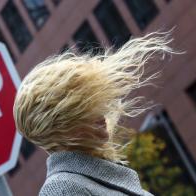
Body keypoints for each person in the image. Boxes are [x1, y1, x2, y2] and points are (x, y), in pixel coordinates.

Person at [13, 32, 177, 196]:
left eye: (94, 102)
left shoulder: (83, 180)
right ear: (60, 127)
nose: (100, 113)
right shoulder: (62, 189)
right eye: (83, 109)